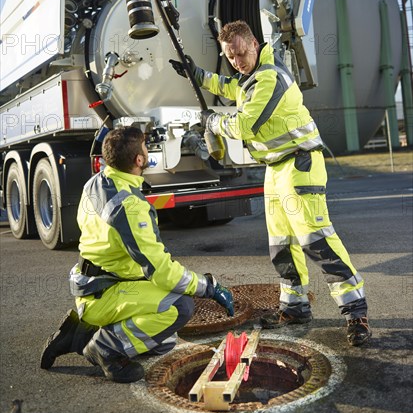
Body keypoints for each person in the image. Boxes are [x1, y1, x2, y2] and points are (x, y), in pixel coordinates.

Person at [170, 20, 371, 347]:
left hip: (299, 163)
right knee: (282, 245)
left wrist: (213, 122)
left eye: (240, 53)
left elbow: (247, 125)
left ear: (254, 44)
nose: (237, 61)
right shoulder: (249, 79)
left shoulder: (270, 78)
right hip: (276, 169)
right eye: (230, 56)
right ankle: (294, 308)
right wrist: (197, 74)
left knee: (316, 240)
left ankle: (355, 312)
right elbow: (227, 85)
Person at [40, 126, 234, 382]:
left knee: (164, 342)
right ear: (139, 160)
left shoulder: (96, 183)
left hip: (95, 284)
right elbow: (162, 272)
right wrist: (208, 286)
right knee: (179, 306)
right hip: (105, 292)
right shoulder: (129, 206)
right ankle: (105, 348)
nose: (147, 151)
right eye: (145, 148)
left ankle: (80, 332)